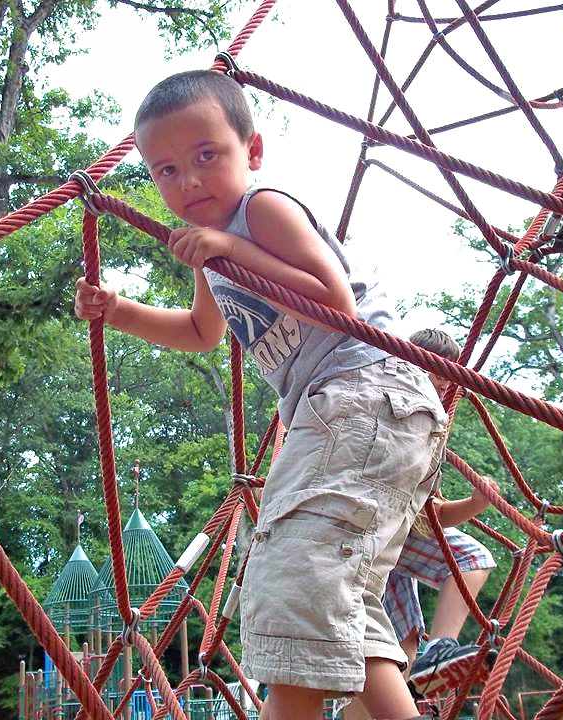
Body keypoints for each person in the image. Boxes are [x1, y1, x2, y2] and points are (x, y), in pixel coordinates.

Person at [74, 69, 446, 720]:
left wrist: (229, 251)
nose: (186, 182)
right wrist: (118, 310)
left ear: (253, 152)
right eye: (164, 171)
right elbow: (198, 332)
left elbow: (336, 301)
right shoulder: (209, 253)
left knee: (291, 571)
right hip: (346, 412)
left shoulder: (263, 208)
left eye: (206, 157)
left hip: (366, 390)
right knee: (336, 593)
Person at [345, 329, 498, 720]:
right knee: (471, 557)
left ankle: (423, 670)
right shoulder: (385, 400)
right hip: (362, 529)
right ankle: (438, 652)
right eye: (433, 370)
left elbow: (431, 515)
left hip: (394, 539)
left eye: (449, 375)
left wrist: (475, 504)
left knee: (402, 637)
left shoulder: (432, 425)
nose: (442, 382)